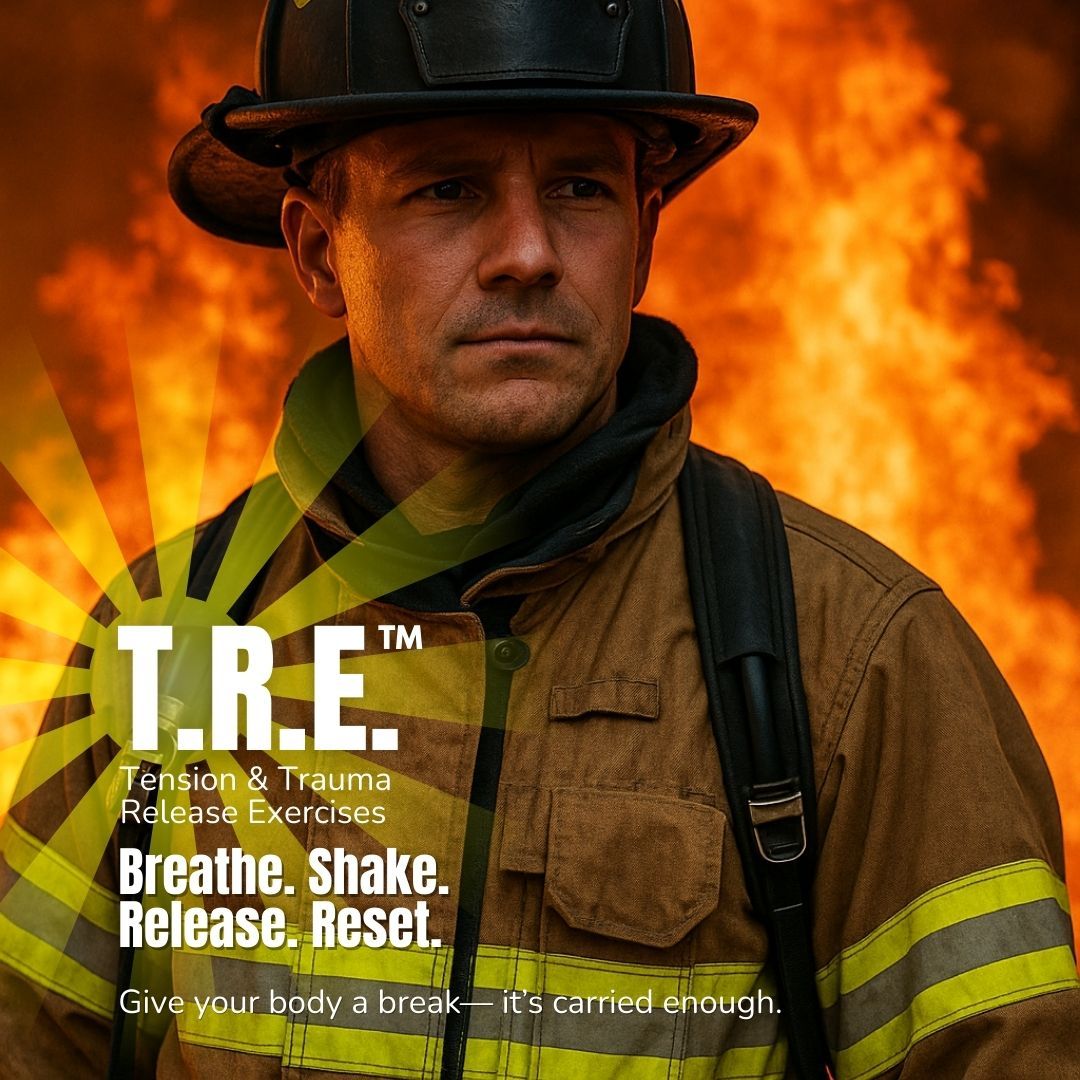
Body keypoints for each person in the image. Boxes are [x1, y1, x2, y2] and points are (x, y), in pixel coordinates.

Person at [1, 1, 1078, 1077]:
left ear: (645, 236)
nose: (527, 253)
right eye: (448, 189)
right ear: (321, 253)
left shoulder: (853, 660)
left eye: (579, 188)